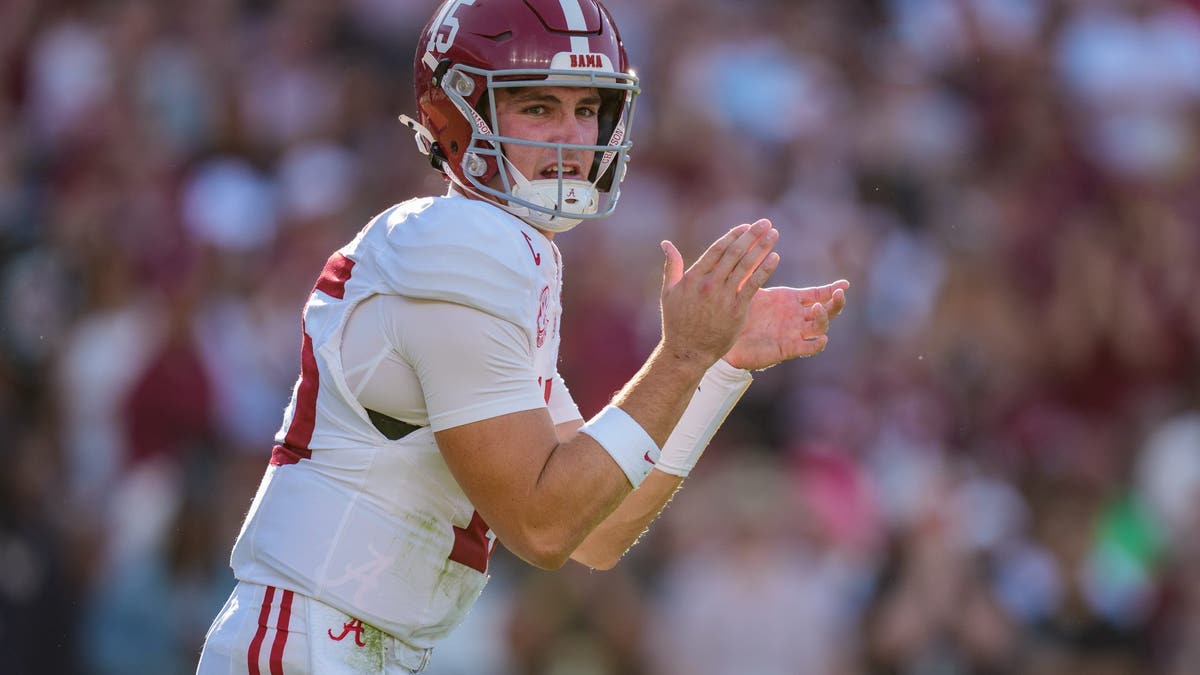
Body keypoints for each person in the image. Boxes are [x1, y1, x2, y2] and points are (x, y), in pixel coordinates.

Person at [197, 0, 849, 672]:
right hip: (309, 640)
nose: (573, 137)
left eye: (588, 109)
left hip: (349, 642)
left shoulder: (489, 248)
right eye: (538, 108)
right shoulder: (464, 244)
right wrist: (680, 357)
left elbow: (596, 530)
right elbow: (543, 525)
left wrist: (714, 366)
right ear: (457, 114)